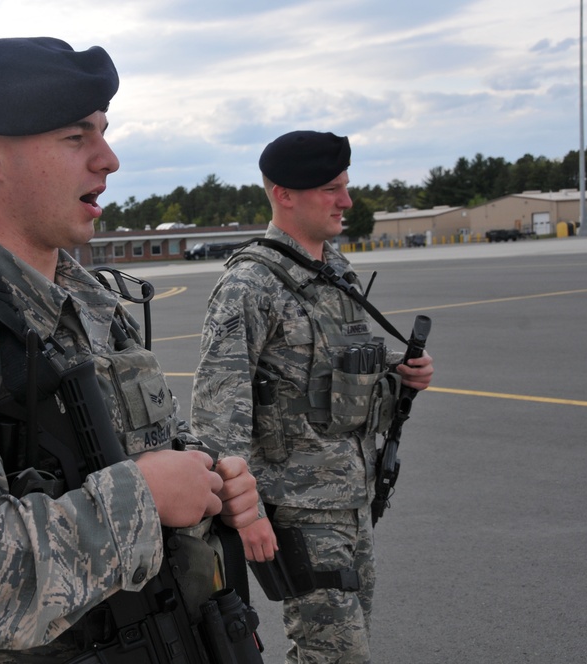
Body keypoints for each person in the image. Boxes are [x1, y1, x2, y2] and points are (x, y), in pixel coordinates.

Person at [0, 37, 261, 663]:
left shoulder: (92, 305)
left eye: (105, 133)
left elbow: (138, 447)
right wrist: (141, 500)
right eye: (76, 138)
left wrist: (205, 474)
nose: (109, 159)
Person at [191, 130, 434, 663]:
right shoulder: (251, 284)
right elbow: (217, 409)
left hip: (351, 496)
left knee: (343, 648)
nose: (347, 201)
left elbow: (333, 374)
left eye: (345, 186)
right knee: (336, 655)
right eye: (331, 188)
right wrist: (247, 511)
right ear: (284, 194)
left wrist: (398, 376)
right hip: (300, 508)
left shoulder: (334, 271)